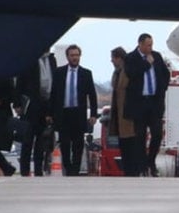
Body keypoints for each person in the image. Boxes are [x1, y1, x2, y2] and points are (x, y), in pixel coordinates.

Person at [123, 32, 170, 176]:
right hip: (139, 104)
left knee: (157, 134)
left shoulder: (157, 56)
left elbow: (165, 74)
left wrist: (162, 89)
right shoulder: (131, 57)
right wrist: (146, 63)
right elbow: (132, 74)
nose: (150, 47)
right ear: (140, 44)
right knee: (140, 136)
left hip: (154, 102)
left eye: (152, 45)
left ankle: (151, 161)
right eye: (148, 45)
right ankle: (143, 165)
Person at [49, 44, 97, 176]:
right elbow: (53, 94)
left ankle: (74, 170)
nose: (75, 58)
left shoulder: (86, 74)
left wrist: (93, 114)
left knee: (78, 144)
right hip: (63, 113)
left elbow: (92, 96)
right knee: (64, 143)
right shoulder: (59, 73)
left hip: (78, 113)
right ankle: (68, 167)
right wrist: (50, 113)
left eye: (77, 55)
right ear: (67, 57)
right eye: (72, 55)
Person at [14, 49, 56, 177]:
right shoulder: (29, 58)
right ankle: (25, 171)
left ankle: (39, 171)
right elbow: (20, 81)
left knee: (41, 142)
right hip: (31, 106)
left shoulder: (51, 60)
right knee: (27, 140)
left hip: (46, 105)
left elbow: (55, 83)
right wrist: (17, 104)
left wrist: (51, 109)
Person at [107, 46, 140, 177]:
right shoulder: (118, 72)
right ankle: (129, 171)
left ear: (118, 58)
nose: (112, 62)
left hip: (127, 115)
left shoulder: (126, 71)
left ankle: (132, 172)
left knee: (130, 146)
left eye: (113, 59)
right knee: (124, 146)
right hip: (120, 116)